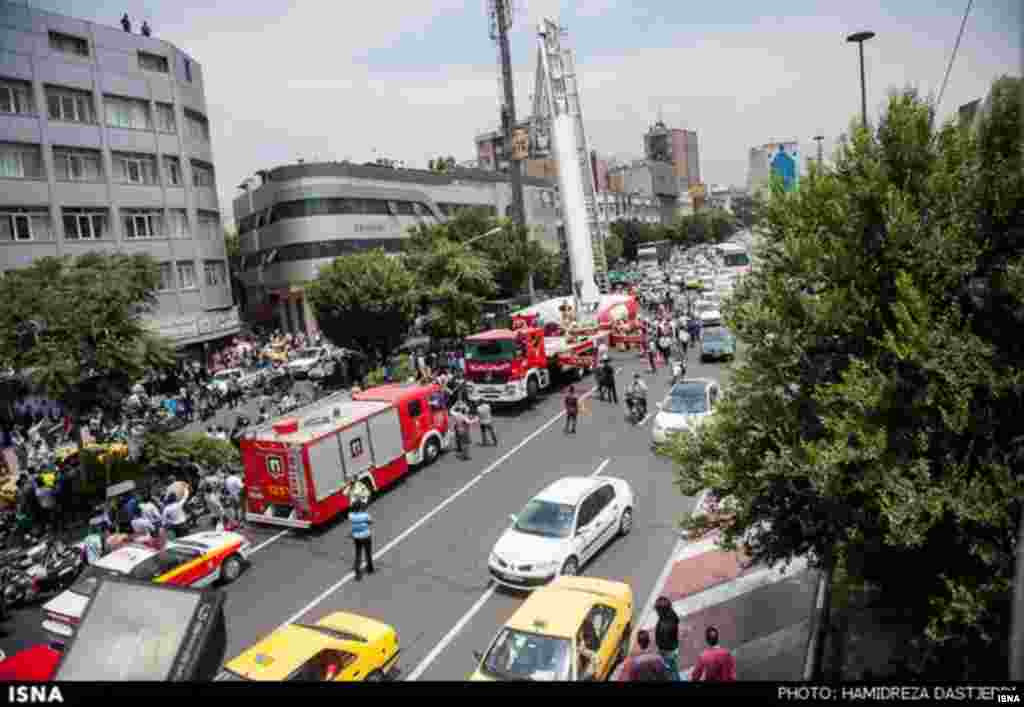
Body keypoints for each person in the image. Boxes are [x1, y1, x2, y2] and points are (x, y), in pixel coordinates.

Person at [654, 596, 681, 680]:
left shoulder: (663, 627)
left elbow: (661, 643)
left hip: (667, 652)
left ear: (661, 611)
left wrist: (660, 651)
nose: (656, 612)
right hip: (674, 647)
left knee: (670, 670)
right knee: (674, 667)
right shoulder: (672, 614)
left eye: (657, 610)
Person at [350, 499, 374, 581]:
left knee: (358, 554)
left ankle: (357, 572)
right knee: (368, 553)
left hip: (356, 537)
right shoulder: (365, 515)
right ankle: (370, 569)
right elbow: (370, 522)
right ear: (360, 507)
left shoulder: (351, 515)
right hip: (366, 536)